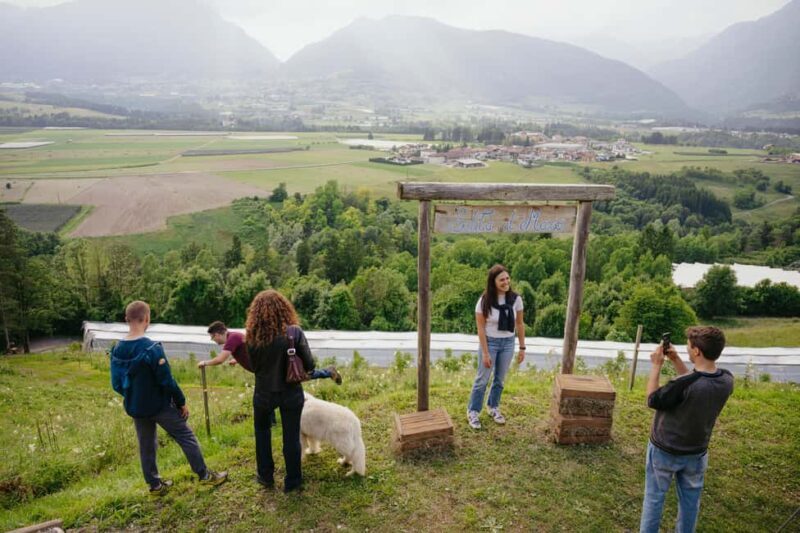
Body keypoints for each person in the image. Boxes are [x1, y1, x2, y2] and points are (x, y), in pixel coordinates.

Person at [110, 300, 227, 496]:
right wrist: (180, 402)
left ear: (126, 319)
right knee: (186, 437)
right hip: (160, 406)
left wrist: (134, 395)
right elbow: (167, 381)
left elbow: (116, 383)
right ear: (147, 319)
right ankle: (205, 476)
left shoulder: (117, 349)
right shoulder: (152, 348)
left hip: (136, 408)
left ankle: (155, 486)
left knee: (146, 445)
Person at [639, 326, 734, 533]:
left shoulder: (681, 385)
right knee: (690, 504)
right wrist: (676, 360)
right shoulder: (726, 380)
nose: (687, 349)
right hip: (696, 453)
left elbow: (652, 399)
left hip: (664, 451)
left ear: (697, 351)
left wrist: (656, 365)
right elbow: (695, 381)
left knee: (654, 499)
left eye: (689, 347)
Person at [246, 290, 314, 492]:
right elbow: (310, 364)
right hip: (291, 391)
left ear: (255, 313)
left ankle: (265, 477)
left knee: (262, 433)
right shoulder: (294, 333)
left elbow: (253, 366)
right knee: (291, 437)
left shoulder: (251, 336)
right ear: (284, 308)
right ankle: (293, 481)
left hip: (263, 393)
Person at [467, 264, 525, 430]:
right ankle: (473, 411)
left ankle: (493, 407)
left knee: (499, 379)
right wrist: (485, 353)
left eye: (507, 278)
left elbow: (519, 324)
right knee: (482, 379)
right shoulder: (484, 301)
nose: (506, 282)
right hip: (490, 343)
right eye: (501, 279)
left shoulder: (516, 299)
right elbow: (480, 329)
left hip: (508, 343)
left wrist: (522, 348)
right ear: (493, 282)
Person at [200, 321, 342, 385]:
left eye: (212, 337)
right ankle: (271, 420)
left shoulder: (233, 337)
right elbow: (252, 347)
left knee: (297, 376)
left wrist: (205, 363)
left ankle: (328, 372)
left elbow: (220, 359)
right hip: (262, 369)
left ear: (219, 333)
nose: (213, 340)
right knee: (285, 383)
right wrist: (237, 360)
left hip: (266, 368)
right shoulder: (235, 337)